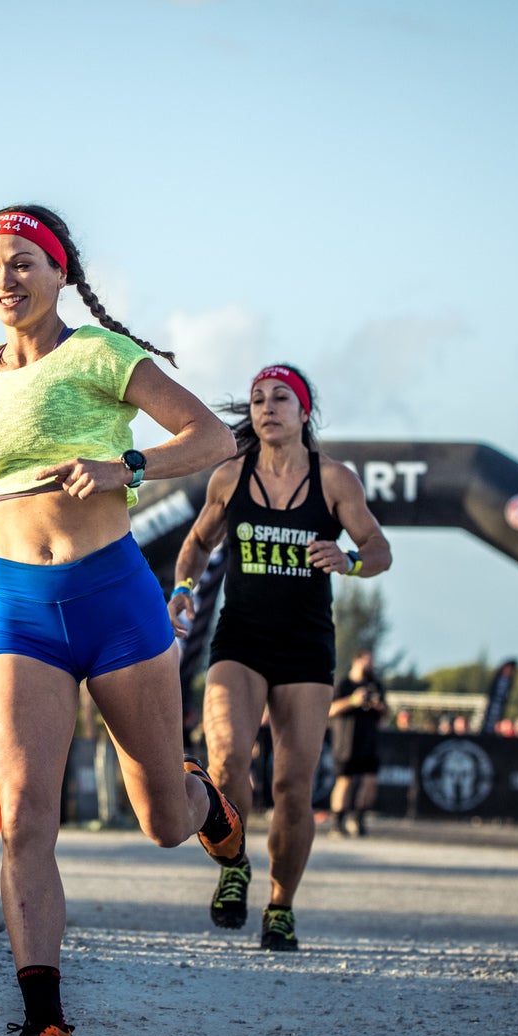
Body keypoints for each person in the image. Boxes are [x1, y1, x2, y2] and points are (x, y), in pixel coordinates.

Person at [0, 204, 240, 1036]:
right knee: (20, 817)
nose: (4, 282)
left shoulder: (98, 356)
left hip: (115, 599)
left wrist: (125, 469)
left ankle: (202, 799)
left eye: (22, 265)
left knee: (162, 822)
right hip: (19, 612)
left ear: (59, 273)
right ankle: (46, 1026)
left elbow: (213, 438)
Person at [168, 363, 393, 952]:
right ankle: (235, 866)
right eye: (258, 398)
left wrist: (351, 561)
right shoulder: (229, 478)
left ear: (304, 412)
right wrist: (184, 592)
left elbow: (379, 548)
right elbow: (195, 545)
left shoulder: (335, 480)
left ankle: (281, 906)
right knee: (226, 762)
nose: (267, 407)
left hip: (305, 649)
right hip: (239, 642)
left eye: (281, 398)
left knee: (293, 785)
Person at [327, 649, 387, 839]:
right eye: (367, 661)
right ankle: (338, 822)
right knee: (345, 781)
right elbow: (330, 709)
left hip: (369, 742)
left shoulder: (376, 685)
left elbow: (386, 713)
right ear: (357, 661)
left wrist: (378, 706)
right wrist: (353, 700)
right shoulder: (344, 684)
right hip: (346, 742)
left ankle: (359, 819)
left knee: (370, 782)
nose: (370, 665)